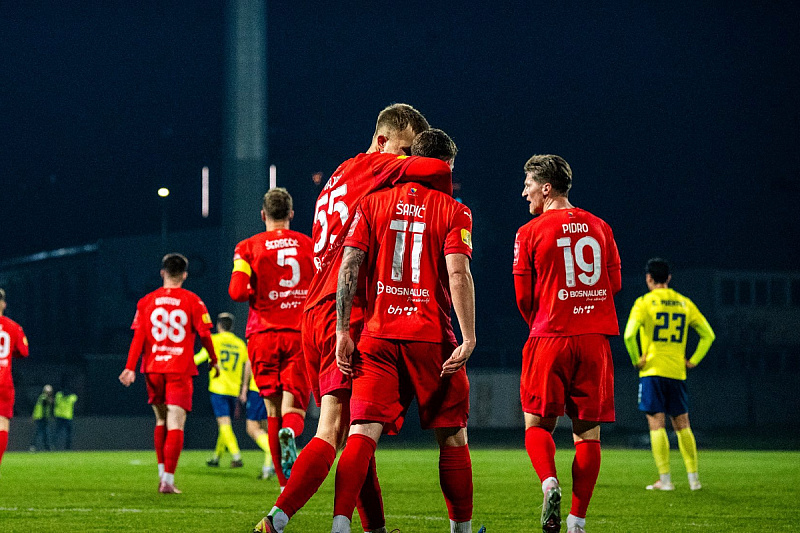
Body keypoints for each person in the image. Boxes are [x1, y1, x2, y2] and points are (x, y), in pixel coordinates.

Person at [254, 103, 454, 533]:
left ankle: (375, 528)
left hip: (314, 310)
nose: (407, 160)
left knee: (358, 433)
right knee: (332, 430)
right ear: (382, 141)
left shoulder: (340, 174)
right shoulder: (378, 167)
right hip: (343, 309)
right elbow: (439, 170)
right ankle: (275, 520)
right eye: (403, 149)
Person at [332, 129, 477, 533]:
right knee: (452, 437)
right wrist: (469, 337)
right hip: (432, 337)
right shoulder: (454, 210)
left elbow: (349, 267)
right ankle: (461, 531)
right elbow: (459, 273)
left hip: (378, 336)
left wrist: (344, 330)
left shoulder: (371, 202)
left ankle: (340, 526)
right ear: (444, 165)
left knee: (361, 433)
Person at [513, 155, 621, 533]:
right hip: (594, 341)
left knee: (537, 424)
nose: (524, 190)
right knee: (587, 434)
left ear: (546, 187)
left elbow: (523, 296)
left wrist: (546, 320)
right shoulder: (602, 227)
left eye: (528, 183)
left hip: (550, 335)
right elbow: (614, 284)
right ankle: (577, 521)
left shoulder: (530, 231)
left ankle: (549, 482)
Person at [229, 187, 315, 492]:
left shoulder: (247, 247)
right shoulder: (310, 245)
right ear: (291, 214)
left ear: (263, 215)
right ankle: (291, 436)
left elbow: (237, 292)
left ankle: (283, 486)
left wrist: (262, 294)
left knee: (272, 411)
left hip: (262, 334)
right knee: (295, 410)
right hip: (299, 334)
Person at [119, 253, 219, 494]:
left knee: (161, 420)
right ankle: (168, 480)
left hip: (153, 368)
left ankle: (162, 473)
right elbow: (205, 334)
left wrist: (130, 367)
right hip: (179, 368)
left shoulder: (146, 301)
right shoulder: (193, 301)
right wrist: (213, 359)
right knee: (176, 422)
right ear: (185, 274)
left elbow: (139, 337)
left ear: (162, 272)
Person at [623, 258, 715, 492]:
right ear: (669, 278)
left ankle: (665, 480)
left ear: (649, 279)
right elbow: (708, 335)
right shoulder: (684, 303)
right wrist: (693, 360)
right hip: (677, 371)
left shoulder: (644, 303)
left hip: (652, 371)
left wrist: (637, 360)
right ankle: (694, 480)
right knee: (683, 425)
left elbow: (628, 335)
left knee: (657, 425)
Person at [194, 312, 249, 468]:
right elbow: (246, 365)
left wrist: (183, 363)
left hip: (219, 388)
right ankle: (216, 457)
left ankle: (236, 455)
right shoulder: (240, 344)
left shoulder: (214, 340)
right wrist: (243, 387)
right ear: (232, 327)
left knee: (224, 423)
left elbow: (200, 357)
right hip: (233, 390)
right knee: (225, 425)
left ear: (219, 325)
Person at [0, 288, 30, 468]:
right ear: (3, 304)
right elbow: (24, 352)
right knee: (2, 424)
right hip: (3, 382)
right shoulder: (14, 327)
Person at [243, 359, 276, 480]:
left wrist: (245, 386)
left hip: (257, 388)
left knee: (252, 427)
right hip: (275, 387)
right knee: (268, 427)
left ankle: (274, 454)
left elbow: (249, 361)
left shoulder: (255, 339)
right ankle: (269, 467)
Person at [54, 386, 78, 450]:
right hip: (67, 416)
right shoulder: (71, 397)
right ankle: (68, 448)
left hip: (59, 416)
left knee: (58, 432)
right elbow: (75, 398)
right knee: (68, 433)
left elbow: (56, 401)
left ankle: (54, 446)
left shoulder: (58, 395)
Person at [31, 384, 54, 452]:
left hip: (42, 417)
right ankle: (34, 446)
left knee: (44, 433)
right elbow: (46, 403)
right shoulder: (44, 397)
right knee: (40, 432)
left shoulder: (42, 397)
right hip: (41, 418)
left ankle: (46, 447)